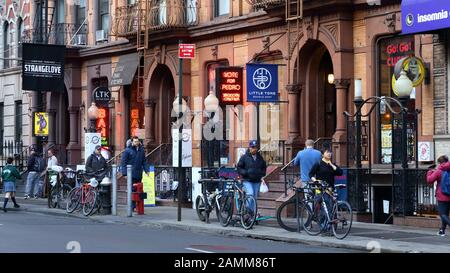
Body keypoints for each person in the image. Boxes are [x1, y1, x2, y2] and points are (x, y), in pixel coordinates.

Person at [309, 149, 343, 228]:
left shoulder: (332, 165)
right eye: (327, 152)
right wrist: (315, 181)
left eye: (330, 152)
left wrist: (332, 165)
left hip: (330, 189)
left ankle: (330, 226)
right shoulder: (318, 163)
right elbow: (310, 174)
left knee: (330, 207)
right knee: (323, 208)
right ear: (322, 154)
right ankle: (323, 226)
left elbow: (340, 173)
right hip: (320, 188)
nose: (329, 154)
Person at [237, 140, 267, 213]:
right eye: (253, 147)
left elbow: (264, 167)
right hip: (247, 180)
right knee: (250, 194)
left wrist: (262, 174)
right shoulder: (244, 157)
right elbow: (239, 167)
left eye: (256, 147)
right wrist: (246, 173)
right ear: (249, 148)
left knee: (254, 197)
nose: (254, 149)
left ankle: (252, 214)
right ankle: (247, 211)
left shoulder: (260, 158)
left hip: (257, 180)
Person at [426, 155, 450, 236]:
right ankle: (442, 231)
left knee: (442, 214)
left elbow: (430, 180)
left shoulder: (439, 170)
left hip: (442, 195)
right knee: (445, 214)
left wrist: (430, 171)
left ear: (440, 162)